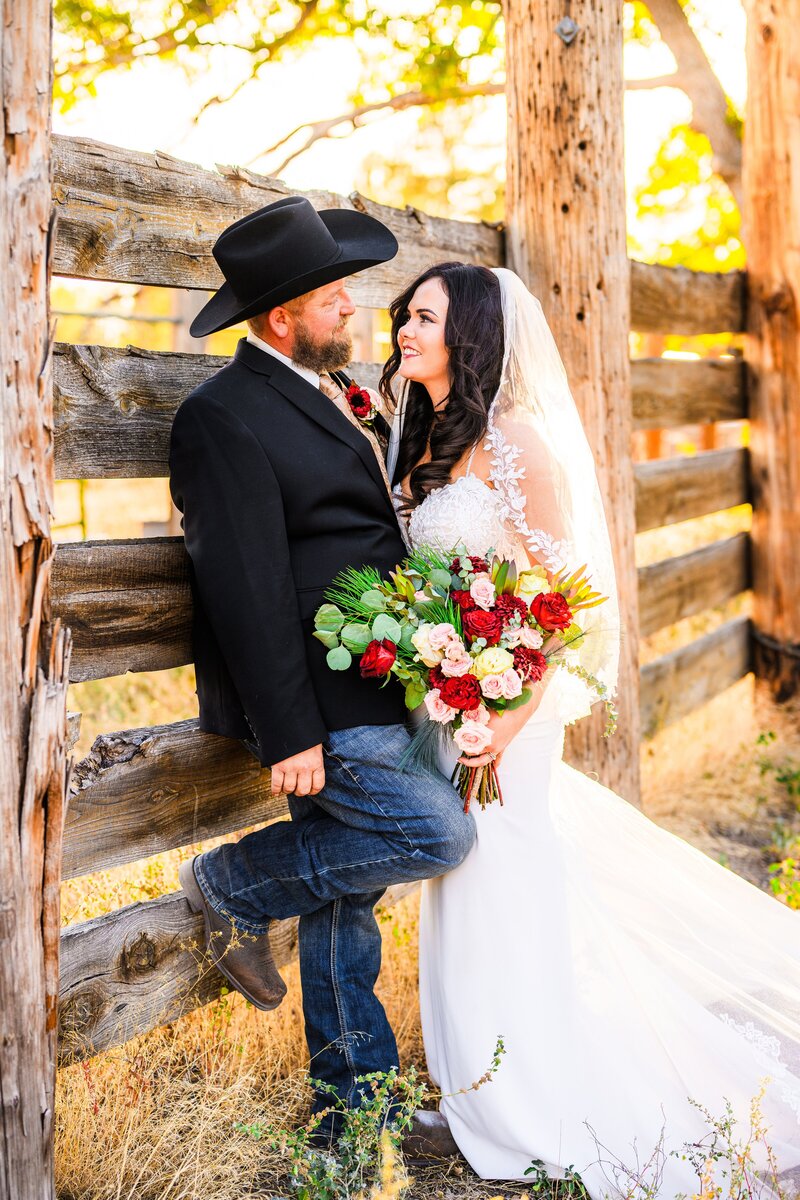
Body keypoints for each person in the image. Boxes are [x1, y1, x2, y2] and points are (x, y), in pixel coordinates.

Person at [383, 261, 800, 1197]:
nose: (405, 331)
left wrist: (505, 711)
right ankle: (477, 1091)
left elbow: (567, 604)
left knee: (505, 887)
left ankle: (535, 1102)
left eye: (423, 317)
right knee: (460, 890)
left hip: (509, 720)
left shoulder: (516, 441)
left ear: (473, 335)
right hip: (450, 708)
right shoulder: (429, 443)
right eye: (405, 316)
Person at [168, 199, 475, 1137]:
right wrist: (289, 731)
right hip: (323, 705)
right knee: (440, 838)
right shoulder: (222, 417)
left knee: (348, 903)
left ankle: (356, 1105)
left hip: (380, 679)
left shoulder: (322, 388)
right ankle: (230, 886)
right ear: (280, 319)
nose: (354, 306)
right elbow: (247, 586)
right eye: (333, 294)